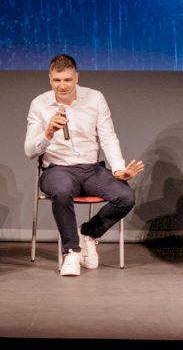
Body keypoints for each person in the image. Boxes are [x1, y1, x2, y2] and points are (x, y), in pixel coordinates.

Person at [24, 54, 145, 276]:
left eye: (67, 80)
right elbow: (30, 151)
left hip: (91, 169)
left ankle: (88, 233)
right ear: (50, 78)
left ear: (76, 77)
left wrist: (119, 169)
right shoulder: (39, 104)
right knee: (61, 191)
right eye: (57, 80)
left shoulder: (95, 99)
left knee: (125, 196)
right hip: (57, 169)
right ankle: (71, 251)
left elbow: (108, 137)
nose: (62, 85)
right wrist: (48, 133)